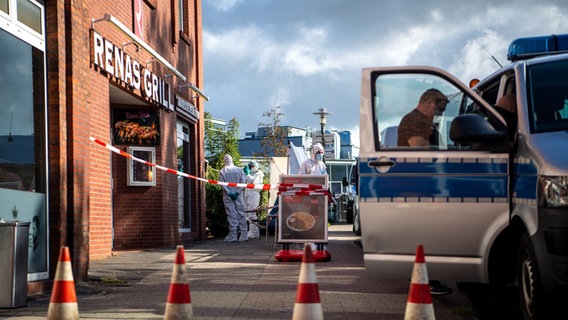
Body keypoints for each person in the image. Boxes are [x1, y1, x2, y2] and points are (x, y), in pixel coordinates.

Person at [219, 154, 248, 242]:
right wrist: (237, 192)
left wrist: (229, 193)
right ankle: (244, 234)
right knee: (241, 214)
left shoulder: (223, 171)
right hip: (238, 196)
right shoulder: (239, 170)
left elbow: (222, 183)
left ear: (225, 161)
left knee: (231, 214)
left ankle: (233, 235)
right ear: (232, 160)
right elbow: (243, 182)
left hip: (228, 196)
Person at [243, 160, 264, 239]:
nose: (250, 168)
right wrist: (246, 174)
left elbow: (253, 183)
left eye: (252, 167)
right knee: (247, 213)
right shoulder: (250, 174)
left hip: (254, 195)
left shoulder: (259, 174)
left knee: (252, 213)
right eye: (249, 167)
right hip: (248, 194)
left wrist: (247, 174)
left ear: (256, 167)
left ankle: (254, 232)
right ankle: (252, 231)